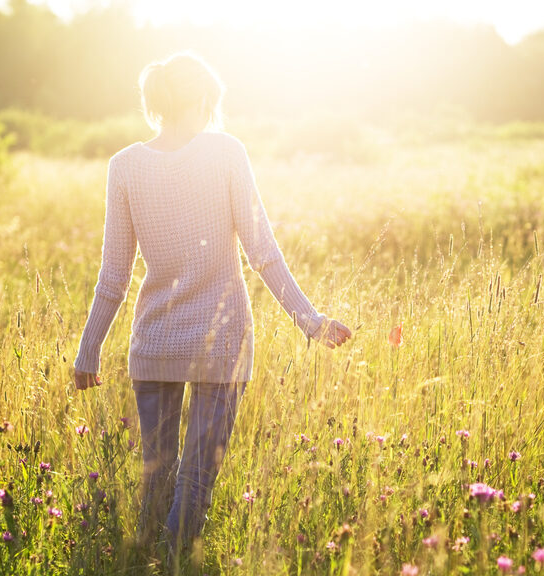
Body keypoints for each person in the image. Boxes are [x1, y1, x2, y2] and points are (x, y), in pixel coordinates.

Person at [71, 52, 352, 560]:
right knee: (196, 479)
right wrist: (310, 321)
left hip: (152, 342)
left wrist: (88, 350)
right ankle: (174, 564)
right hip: (221, 344)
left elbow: (114, 276)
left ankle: (143, 564)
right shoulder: (226, 153)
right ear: (203, 98)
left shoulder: (125, 165)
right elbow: (262, 251)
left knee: (156, 481)